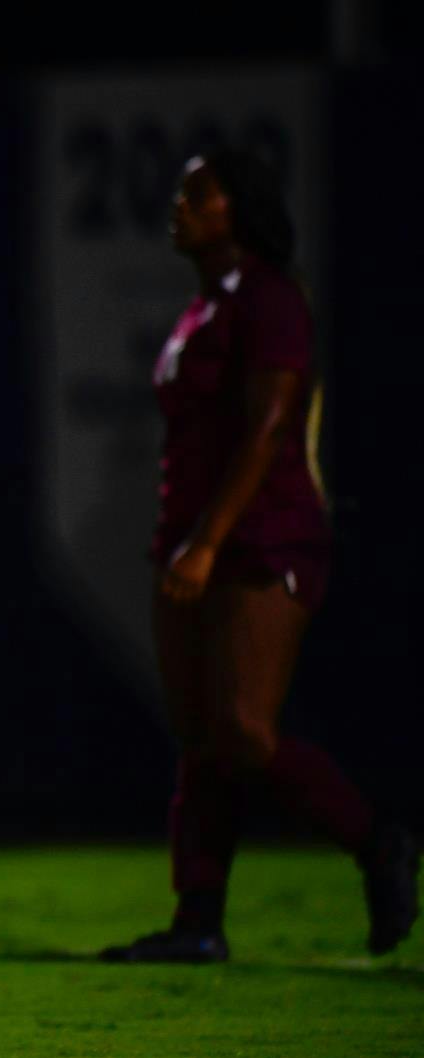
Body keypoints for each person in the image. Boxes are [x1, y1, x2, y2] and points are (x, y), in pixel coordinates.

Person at [101, 149, 416, 963]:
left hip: (261, 537)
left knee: (242, 727)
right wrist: (185, 538)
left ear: (239, 209)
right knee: (201, 734)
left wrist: (207, 541)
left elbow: (268, 427)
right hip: (193, 537)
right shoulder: (205, 306)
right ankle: (198, 919)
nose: (179, 204)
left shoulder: (272, 300)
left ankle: (377, 839)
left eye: (198, 193)